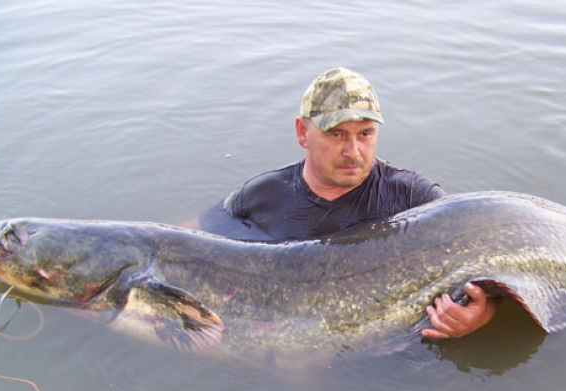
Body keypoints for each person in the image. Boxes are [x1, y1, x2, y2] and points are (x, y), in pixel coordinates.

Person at [198, 67, 500, 339]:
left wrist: (482, 316)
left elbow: (486, 270)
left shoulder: (417, 200)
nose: (353, 151)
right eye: (337, 134)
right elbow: (199, 239)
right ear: (302, 132)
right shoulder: (258, 197)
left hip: (395, 351)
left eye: (365, 134)